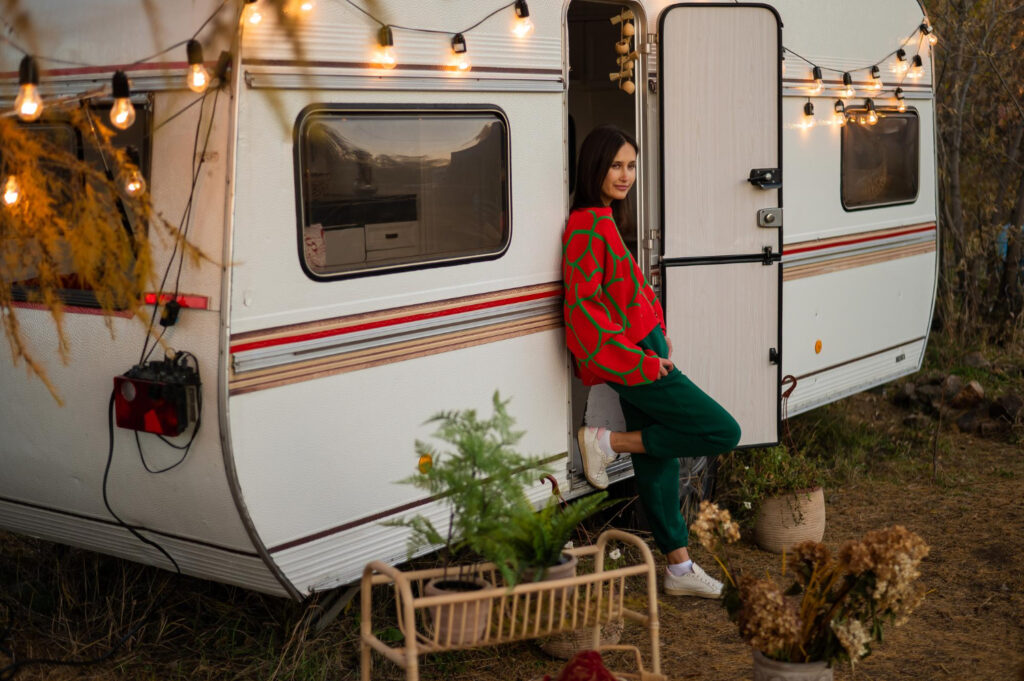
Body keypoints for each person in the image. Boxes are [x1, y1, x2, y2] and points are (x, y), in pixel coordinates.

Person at [562, 124, 741, 598]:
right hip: (636, 363)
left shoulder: (606, 220)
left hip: (648, 354)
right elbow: (585, 317)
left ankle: (678, 569)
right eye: (616, 165)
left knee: (656, 454)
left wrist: (658, 335)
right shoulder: (585, 226)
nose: (625, 175)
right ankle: (609, 441)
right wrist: (642, 362)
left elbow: (630, 296)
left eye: (632, 166)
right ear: (594, 167)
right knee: (723, 430)